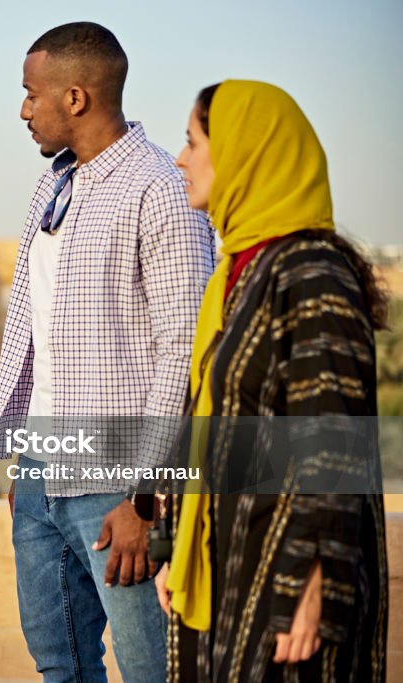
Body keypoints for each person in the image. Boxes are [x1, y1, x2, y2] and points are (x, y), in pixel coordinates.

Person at [0, 22, 215, 683]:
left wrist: (146, 497)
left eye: (33, 95)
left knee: (151, 669)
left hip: (120, 483)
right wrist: (21, 459)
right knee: (60, 665)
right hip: (41, 470)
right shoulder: (52, 187)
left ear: (77, 98)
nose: (24, 110)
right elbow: (34, 332)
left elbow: (184, 349)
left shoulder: (159, 187)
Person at [156, 80, 388, 681]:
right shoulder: (237, 272)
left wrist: (312, 585)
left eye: (193, 140)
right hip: (224, 564)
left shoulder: (312, 273)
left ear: (246, 153)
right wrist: (170, 549)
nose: (180, 157)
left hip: (282, 581)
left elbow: (335, 445)